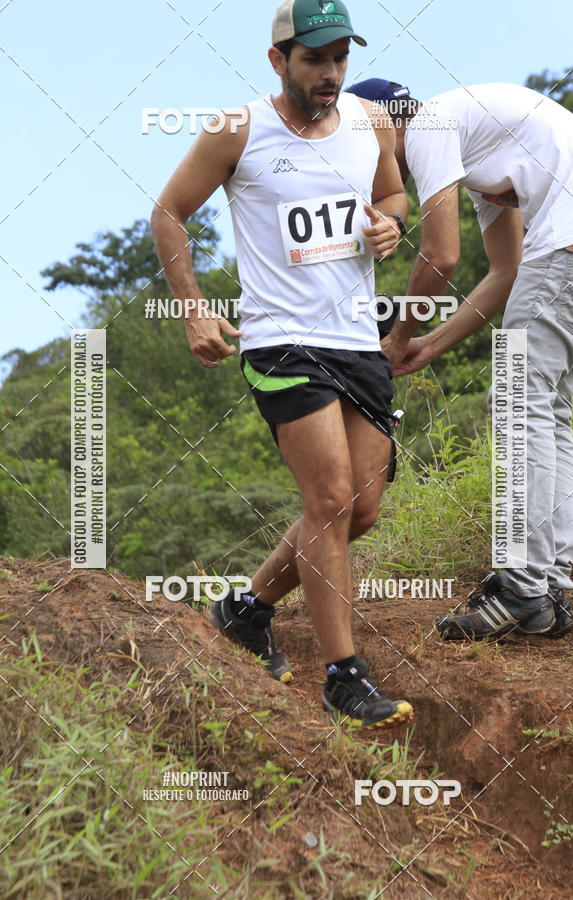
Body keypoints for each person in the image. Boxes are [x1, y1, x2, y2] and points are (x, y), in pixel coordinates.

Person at [151, 0, 414, 728]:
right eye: (315, 60)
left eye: (340, 59)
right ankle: (343, 676)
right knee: (328, 498)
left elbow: (391, 191)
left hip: (358, 343)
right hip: (281, 342)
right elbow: (169, 211)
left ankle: (245, 610)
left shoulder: (370, 122)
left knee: (357, 511)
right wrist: (196, 310)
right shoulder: (238, 131)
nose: (331, 73)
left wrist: (392, 220)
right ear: (279, 61)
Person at [348, 79, 573, 641]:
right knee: (546, 408)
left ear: (385, 121)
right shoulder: (480, 144)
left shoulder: (431, 123)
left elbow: (440, 257)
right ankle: (547, 585)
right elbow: (504, 273)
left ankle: (521, 588)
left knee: (517, 400)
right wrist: (430, 344)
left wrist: (396, 338)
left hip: (572, 245)